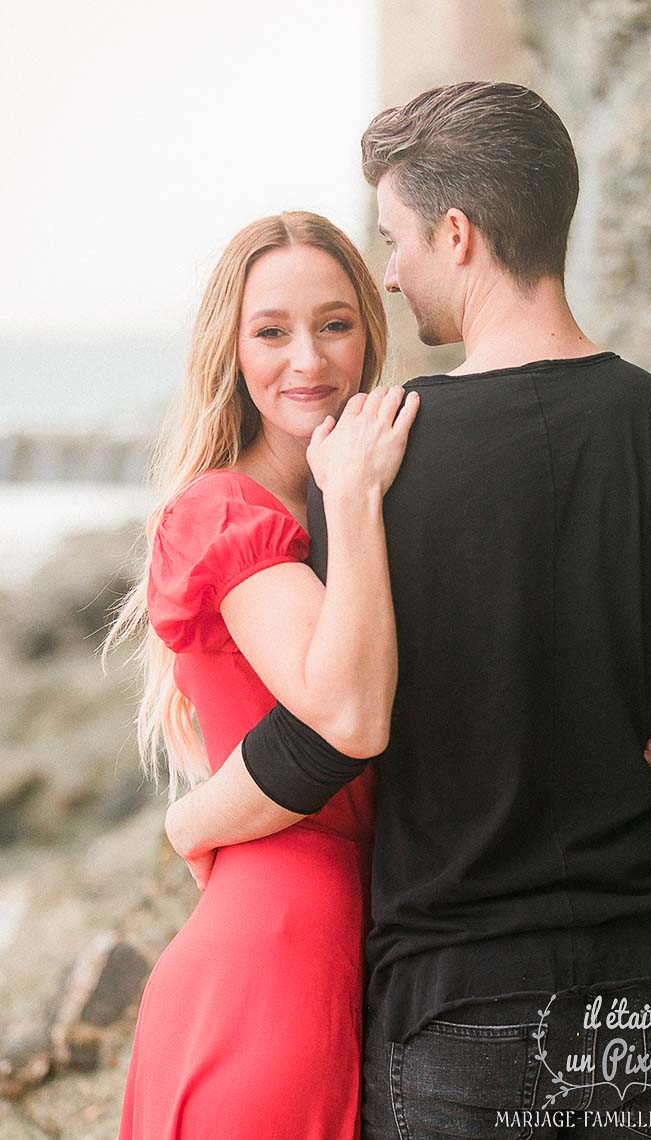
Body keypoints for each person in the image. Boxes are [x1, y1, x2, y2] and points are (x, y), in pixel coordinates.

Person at [165, 83, 651, 1139]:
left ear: (456, 231)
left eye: (393, 239)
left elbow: (334, 732)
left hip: (459, 998)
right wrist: (647, 851)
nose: (390, 272)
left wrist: (193, 820)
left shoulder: (379, 454)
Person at [108, 210, 421, 1139]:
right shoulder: (222, 511)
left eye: (334, 324)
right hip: (277, 953)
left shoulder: (396, 493)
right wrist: (354, 498)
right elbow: (343, 712)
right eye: (271, 331)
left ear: (370, 328)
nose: (309, 361)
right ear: (232, 349)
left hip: (391, 941)